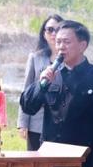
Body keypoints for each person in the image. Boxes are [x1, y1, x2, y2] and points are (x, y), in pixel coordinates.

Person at [20, 20, 93, 167]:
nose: (61, 47)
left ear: (82, 46)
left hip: (82, 160)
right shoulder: (51, 73)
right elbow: (28, 106)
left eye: (66, 42)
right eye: (58, 42)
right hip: (49, 158)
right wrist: (40, 84)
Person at [17, 14, 63, 150]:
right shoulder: (35, 57)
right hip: (36, 121)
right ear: (44, 34)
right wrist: (23, 123)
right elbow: (26, 90)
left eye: (57, 29)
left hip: (60, 123)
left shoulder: (70, 59)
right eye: (50, 30)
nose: (53, 34)